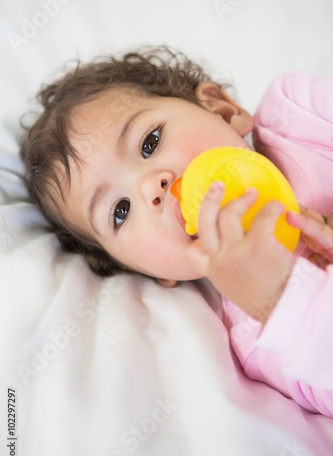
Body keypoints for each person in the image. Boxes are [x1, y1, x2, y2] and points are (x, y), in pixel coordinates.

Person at [20, 47, 333, 416]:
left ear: (223, 110)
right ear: (153, 272)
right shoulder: (260, 338)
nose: (151, 188)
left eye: (149, 142)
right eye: (120, 212)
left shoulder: (299, 117)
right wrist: (280, 300)